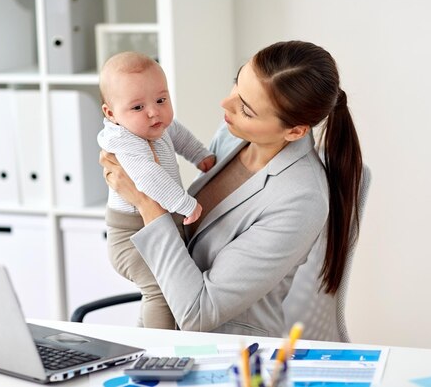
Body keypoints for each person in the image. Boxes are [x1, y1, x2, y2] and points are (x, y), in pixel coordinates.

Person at [100, 41, 363, 337]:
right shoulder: (232, 135)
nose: (225, 104)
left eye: (246, 109)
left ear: (295, 131)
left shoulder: (301, 199)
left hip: (226, 350)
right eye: (237, 84)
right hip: (163, 323)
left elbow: (199, 314)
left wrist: (144, 201)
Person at [97, 51, 216, 329]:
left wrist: (200, 155)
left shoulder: (157, 126)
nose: (153, 112)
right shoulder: (123, 139)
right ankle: (157, 350)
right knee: (160, 291)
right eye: (137, 107)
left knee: (166, 289)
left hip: (158, 225)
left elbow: (180, 136)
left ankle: (141, 340)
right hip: (131, 235)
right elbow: (147, 178)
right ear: (111, 114)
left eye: (161, 100)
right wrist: (184, 204)